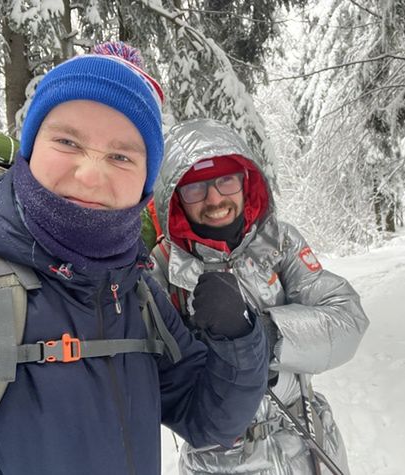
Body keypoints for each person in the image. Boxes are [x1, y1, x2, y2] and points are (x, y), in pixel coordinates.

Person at [0, 43, 269, 474]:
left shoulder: (137, 296)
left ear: (145, 184)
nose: (91, 175)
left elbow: (210, 421)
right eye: (67, 141)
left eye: (121, 156)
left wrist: (238, 339)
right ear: (29, 148)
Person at [149, 118, 370, 475]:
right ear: (175, 198)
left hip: (308, 447)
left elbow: (347, 319)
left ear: (245, 182)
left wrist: (264, 335)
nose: (215, 198)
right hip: (219, 462)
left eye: (226, 181)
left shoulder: (279, 244)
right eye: (195, 189)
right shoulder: (161, 270)